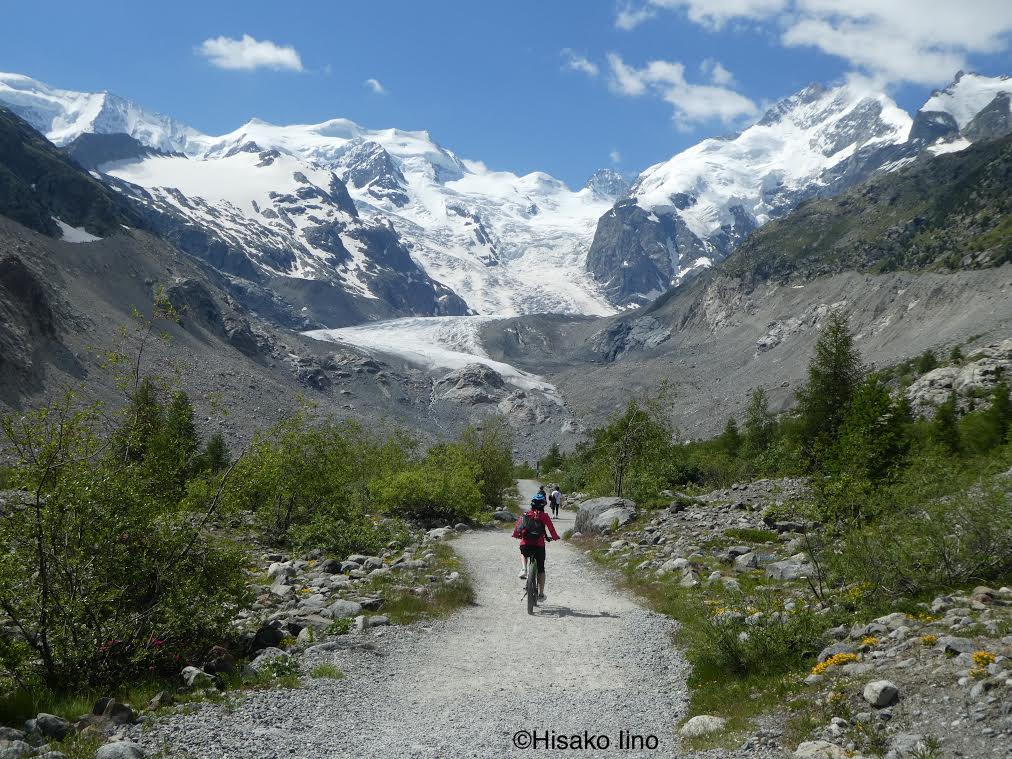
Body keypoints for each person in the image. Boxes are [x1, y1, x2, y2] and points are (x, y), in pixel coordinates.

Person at [512, 492, 560, 601]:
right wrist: (555, 537)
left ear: (532, 505)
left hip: (526, 544)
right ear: (543, 505)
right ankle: (541, 594)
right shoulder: (544, 516)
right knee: (541, 569)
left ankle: (524, 569)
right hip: (539, 546)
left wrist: (516, 535)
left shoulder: (525, 515)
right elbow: (551, 530)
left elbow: (517, 528)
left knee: (523, 552)